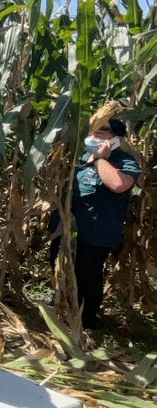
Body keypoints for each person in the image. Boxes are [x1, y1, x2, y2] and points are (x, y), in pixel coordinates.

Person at [50, 117, 140, 328]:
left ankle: (86, 318)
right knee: (59, 263)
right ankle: (62, 302)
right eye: (96, 127)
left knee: (87, 274)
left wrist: (101, 158)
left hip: (96, 230)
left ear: (116, 137)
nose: (98, 131)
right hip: (66, 227)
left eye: (105, 129)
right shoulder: (80, 157)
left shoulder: (124, 160)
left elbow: (119, 185)